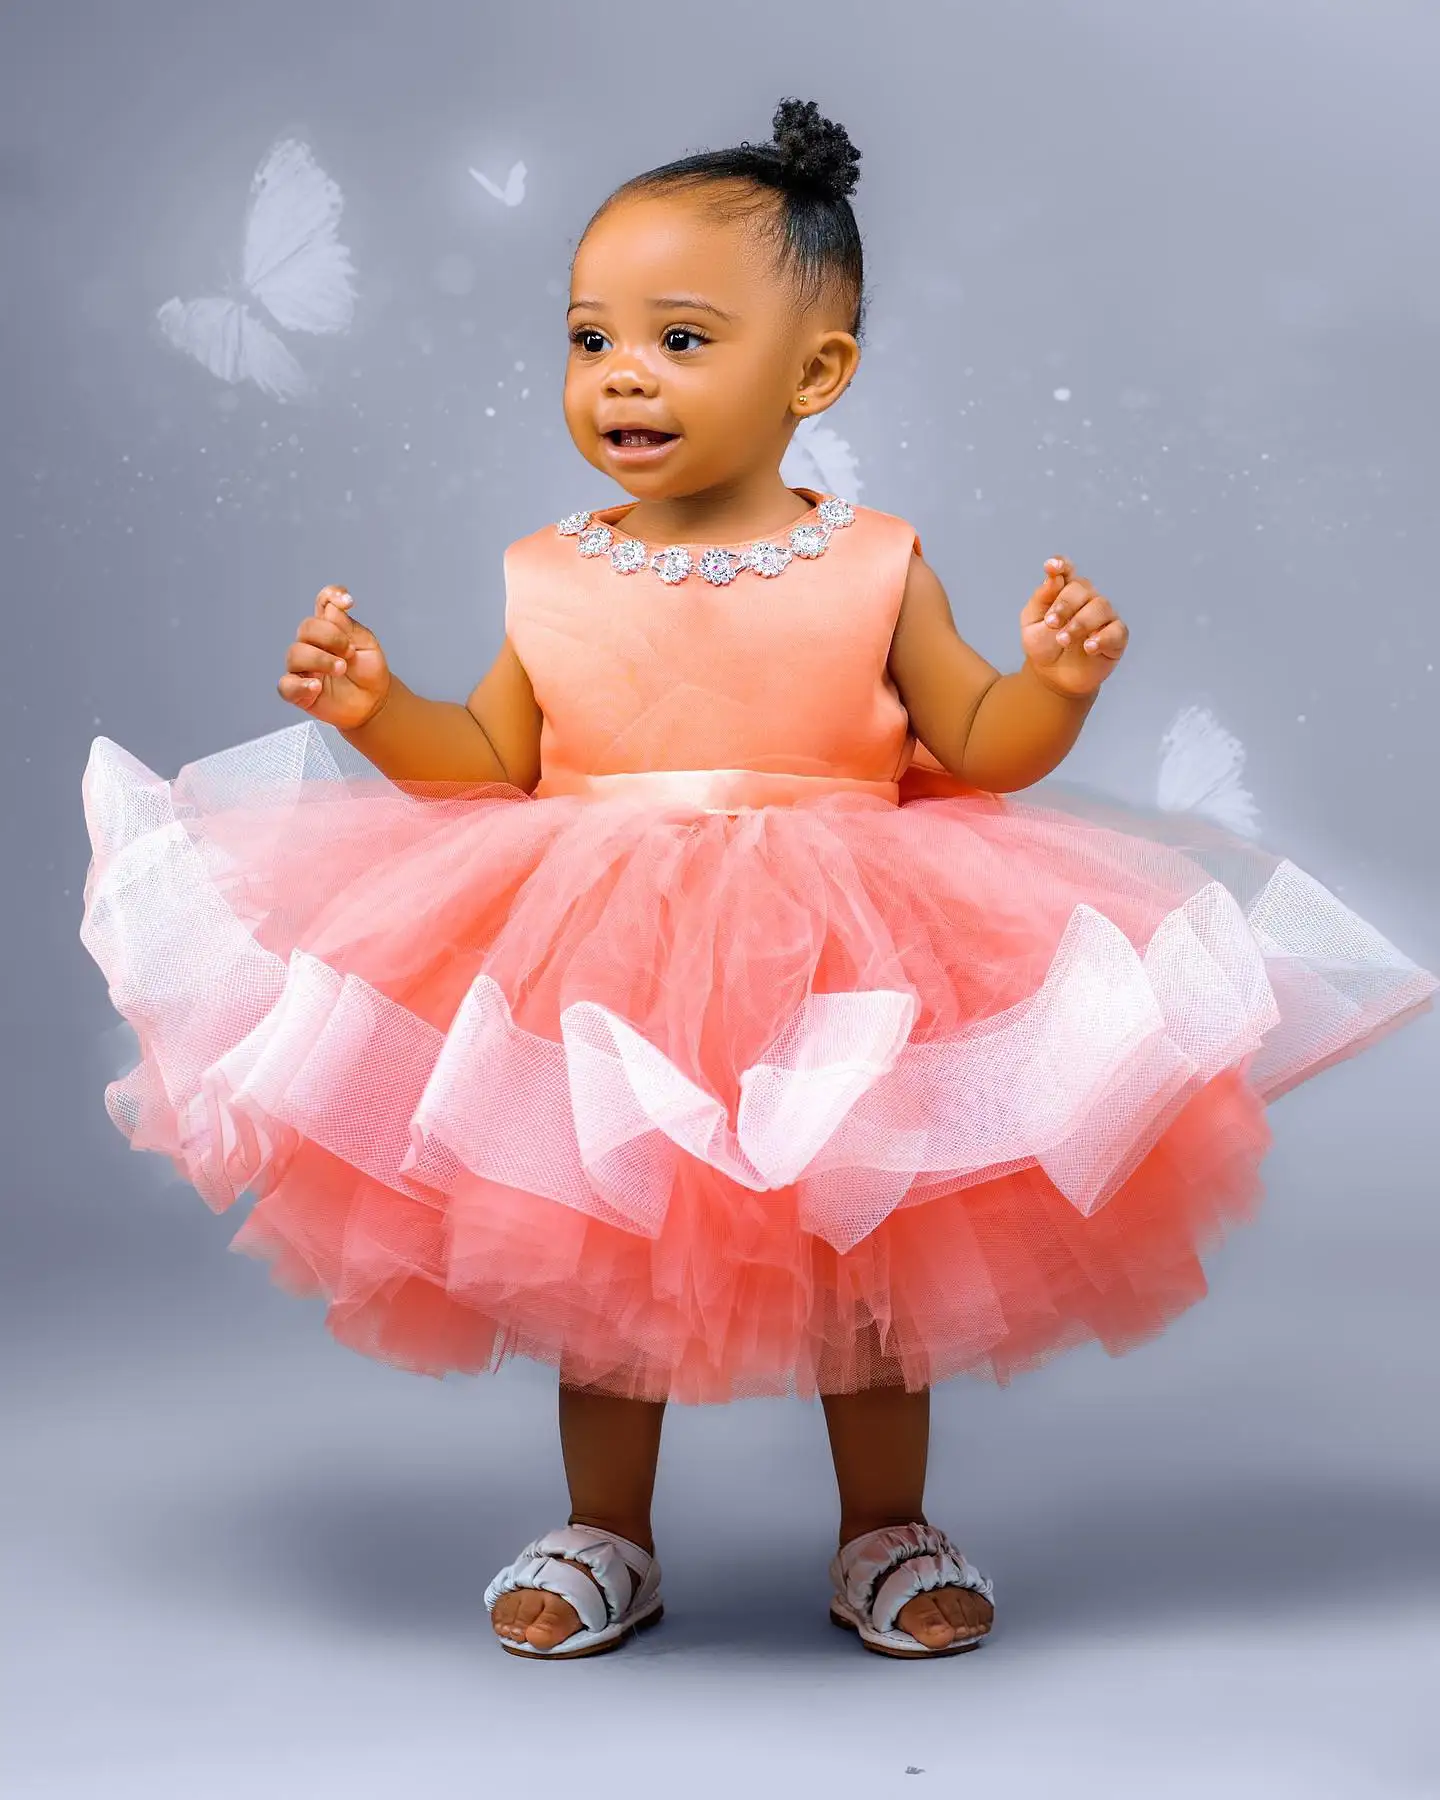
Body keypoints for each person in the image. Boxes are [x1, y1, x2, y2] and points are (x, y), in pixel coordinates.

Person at [80, 99, 1437, 1664]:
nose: (623, 376)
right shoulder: (552, 569)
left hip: (851, 953)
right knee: (597, 1240)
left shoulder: (874, 562)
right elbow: (492, 763)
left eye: (679, 336)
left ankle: (887, 1533)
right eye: (591, 339)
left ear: (816, 376)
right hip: (597, 951)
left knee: (877, 1246)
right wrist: (381, 707)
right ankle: (609, 1532)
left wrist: (1052, 690)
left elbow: (978, 743)